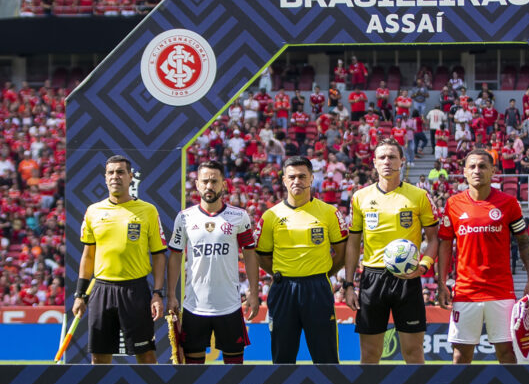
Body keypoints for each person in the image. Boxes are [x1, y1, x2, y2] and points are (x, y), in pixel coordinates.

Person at [437, 149, 529, 363]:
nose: (477, 170)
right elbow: (445, 244)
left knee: (508, 353)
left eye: (482, 166)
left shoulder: (509, 203)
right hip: (465, 292)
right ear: (464, 172)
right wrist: (442, 282)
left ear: (493, 171)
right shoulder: (453, 204)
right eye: (472, 166)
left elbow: (524, 242)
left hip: (500, 291)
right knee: (461, 355)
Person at [344, 139, 439, 363]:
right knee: (369, 354)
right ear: (374, 163)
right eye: (382, 157)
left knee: (414, 352)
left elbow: (434, 239)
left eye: (392, 157)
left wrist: (423, 266)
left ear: (402, 161)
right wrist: (349, 284)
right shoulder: (360, 197)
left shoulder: (419, 195)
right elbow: (352, 243)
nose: (387, 161)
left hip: (407, 278)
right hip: (372, 278)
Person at [74, 155, 168, 365]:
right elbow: (88, 255)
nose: (115, 176)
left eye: (120, 172)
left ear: (130, 177)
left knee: (146, 355)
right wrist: (80, 294)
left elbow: (159, 254)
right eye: (111, 172)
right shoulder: (93, 211)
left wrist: (157, 294)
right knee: (99, 356)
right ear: (105, 178)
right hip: (101, 289)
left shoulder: (148, 211)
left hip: (135, 290)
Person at [166, 161, 260, 364]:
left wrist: (253, 290)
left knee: (234, 369)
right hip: (194, 305)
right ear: (197, 184)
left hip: (230, 305)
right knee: (192, 370)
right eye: (205, 181)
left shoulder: (239, 216)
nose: (209, 186)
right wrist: (170, 294)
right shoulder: (184, 217)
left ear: (223, 184)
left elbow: (250, 253)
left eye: (214, 181)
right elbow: (174, 255)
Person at [255, 156, 347, 363]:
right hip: (283, 288)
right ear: (284, 180)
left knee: (326, 357)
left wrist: (321, 273)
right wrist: (284, 273)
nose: (297, 181)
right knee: (283, 358)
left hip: (318, 288)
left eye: (302, 176)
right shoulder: (270, 216)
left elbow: (341, 254)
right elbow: (261, 256)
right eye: (292, 177)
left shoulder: (329, 212)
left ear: (312, 178)